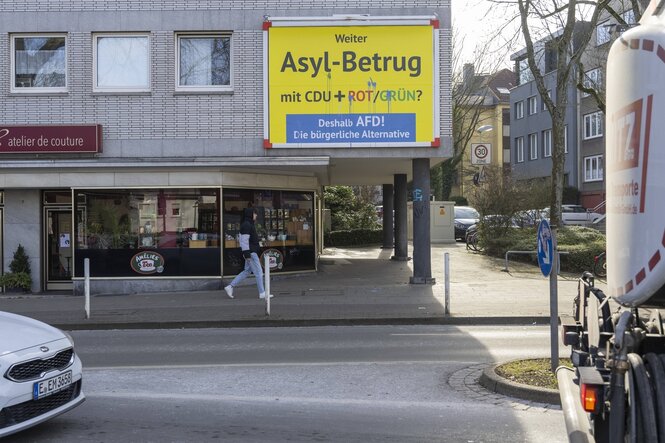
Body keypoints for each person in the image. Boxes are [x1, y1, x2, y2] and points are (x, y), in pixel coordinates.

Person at [224, 207, 273, 299]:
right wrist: (247, 254)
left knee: (247, 271)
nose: (256, 215)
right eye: (254, 213)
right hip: (251, 253)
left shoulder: (247, 224)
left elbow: (243, 240)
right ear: (250, 214)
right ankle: (262, 293)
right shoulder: (247, 225)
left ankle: (230, 286)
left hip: (249, 252)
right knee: (259, 272)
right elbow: (244, 241)